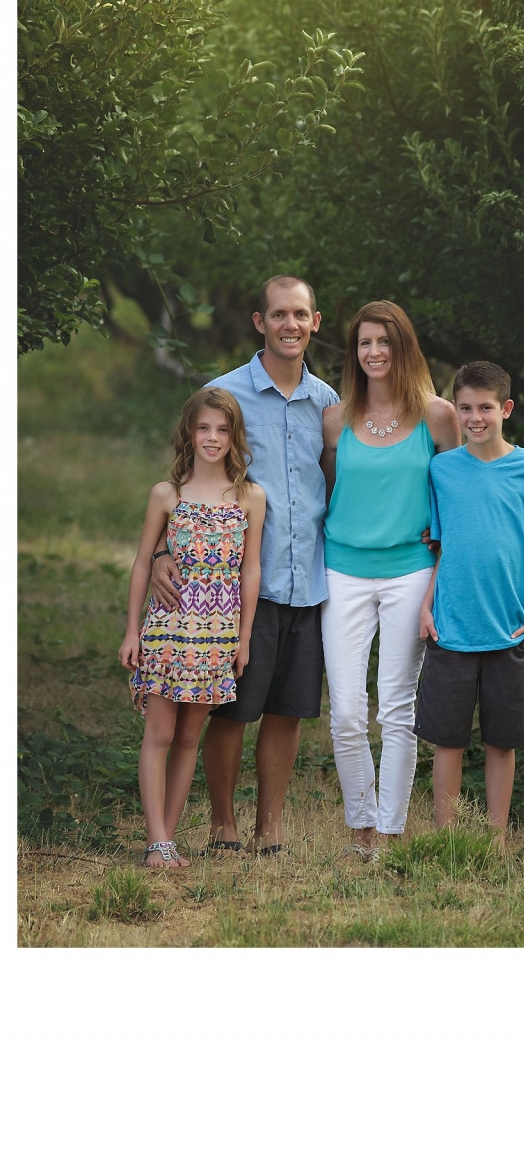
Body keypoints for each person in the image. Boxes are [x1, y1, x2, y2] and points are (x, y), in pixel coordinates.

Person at [151, 275, 338, 855]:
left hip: (308, 578)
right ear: (260, 321)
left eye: (299, 314)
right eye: (278, 314)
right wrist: (162, 550)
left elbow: (338, 481)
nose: (290, 324)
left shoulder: (328, 404)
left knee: (288, 710)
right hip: (235, 589)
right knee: (231, 710)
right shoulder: (225, 395)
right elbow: (184, 481)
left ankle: (270, 828)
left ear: (315, 322)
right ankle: (223, 824)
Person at [320, 301, 460, 860]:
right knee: (348, 709)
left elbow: (459, 492)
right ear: (354, 353)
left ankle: (391, 831)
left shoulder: (437, 415)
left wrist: (444, 550)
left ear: (403, 347)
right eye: (364, 344)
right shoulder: (335, 419)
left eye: (384, 342)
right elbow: (329, 491)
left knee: (396, 706)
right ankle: (360, 825)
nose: (374, 352)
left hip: (410, 571)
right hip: (343, 571)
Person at [415, 360, 524, 845]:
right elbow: (441, 546)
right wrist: (426, 606)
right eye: (465, 408)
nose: (475, 417)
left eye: (485, 408)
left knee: (502, 740)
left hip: (511, 628)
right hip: (452, 626)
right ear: (454, 410)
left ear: (506, 409)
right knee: (447, 739)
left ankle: (497, 839)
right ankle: (447, 838)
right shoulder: (442, 470)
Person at [118, 388, 265, 867]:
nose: (213, 438)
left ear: (234, 436)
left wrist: (242, 639)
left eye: (223, 430)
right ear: (189, 432)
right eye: (204, 428)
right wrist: (131, 630)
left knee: (188, 739)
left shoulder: (249, 497)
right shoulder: (169, 493)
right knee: (160, 734)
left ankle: (170, 839)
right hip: (168, 631)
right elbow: (143, 563)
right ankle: (156, 840)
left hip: (217, 636)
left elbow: (251, 571)